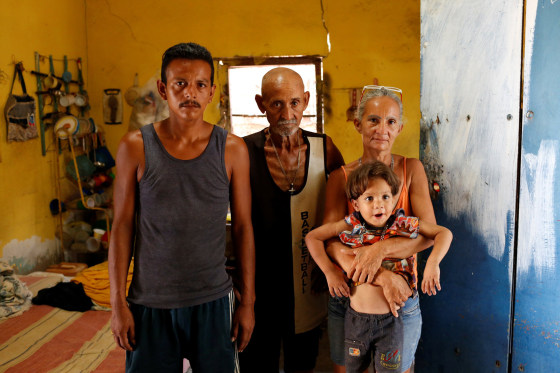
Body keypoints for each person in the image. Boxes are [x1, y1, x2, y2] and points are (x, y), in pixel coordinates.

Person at [109, 42, 255, 373]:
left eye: (200, 84)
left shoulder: (231, 149)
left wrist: (248, 302)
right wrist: (117, 304)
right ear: (163, 89)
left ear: (212, 92)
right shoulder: (135, 147)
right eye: (180, 84)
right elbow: (121, 227)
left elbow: (244, 227)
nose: (190, 93)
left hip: (214, 303)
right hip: (150, 304)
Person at [324, 86, 437, 373]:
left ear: (399, 127)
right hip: (352, 298)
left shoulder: (412, 170)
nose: (382, 129)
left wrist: (381, 250)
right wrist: (381, 274)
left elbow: (427, 235)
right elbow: (331, 244)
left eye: (390, 121)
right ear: (358, 124)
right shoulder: (342, 177)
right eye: (373, 120)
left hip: (398, 302)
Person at [239, 67, 345, 373]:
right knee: (259, 360)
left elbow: (345, 209)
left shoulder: (324, 148)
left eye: (295, 102)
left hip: (307, 277)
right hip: (259, 282)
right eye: (276, 104)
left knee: (303, 361)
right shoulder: (243, 151)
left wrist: (330, 262)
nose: (288, 113)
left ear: (307, 101)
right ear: (261, 104)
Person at [306, 161, 452, 373]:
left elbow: (443, 233)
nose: (379, 204)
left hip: (392, 321)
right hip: (356, 320)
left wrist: (433, 262)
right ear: (356, 204)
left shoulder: (402, 224)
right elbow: (313, 237)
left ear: (394, 199)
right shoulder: (350, 224)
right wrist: (329, 272)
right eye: (369, 198)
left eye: (386, 197)